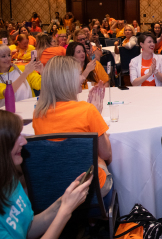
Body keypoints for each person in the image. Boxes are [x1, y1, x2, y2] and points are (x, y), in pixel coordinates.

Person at [0, 110, 93, 239]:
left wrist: (64, 201)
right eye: (16, 137)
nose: (24, 141)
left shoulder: (9, 180)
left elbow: (28, 229)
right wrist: (65, 211)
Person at [32, 56, 113, 197]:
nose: (83, 79)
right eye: (79, 75)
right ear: (67, 80)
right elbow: (106, 154)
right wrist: (97, 117)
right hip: (89, 191)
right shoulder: (88, 110)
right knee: (101, 161)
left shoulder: (38, 114)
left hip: (53, 190)